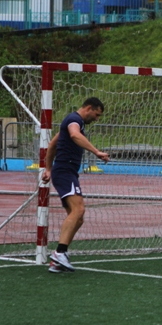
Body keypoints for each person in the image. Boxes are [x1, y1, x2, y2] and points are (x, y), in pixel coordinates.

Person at [41, 97, 110, 273]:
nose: (96, 119)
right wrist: (96, 151)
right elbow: (74, 134)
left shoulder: (74, 122)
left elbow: (52, 144)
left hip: (65, 172)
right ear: (88, 108)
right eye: (96, 114)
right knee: (78, 210)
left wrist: (48, 169)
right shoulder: (74, 120)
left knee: (78, 217)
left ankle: (57, 261)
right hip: (65, 172)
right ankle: (59, 253)